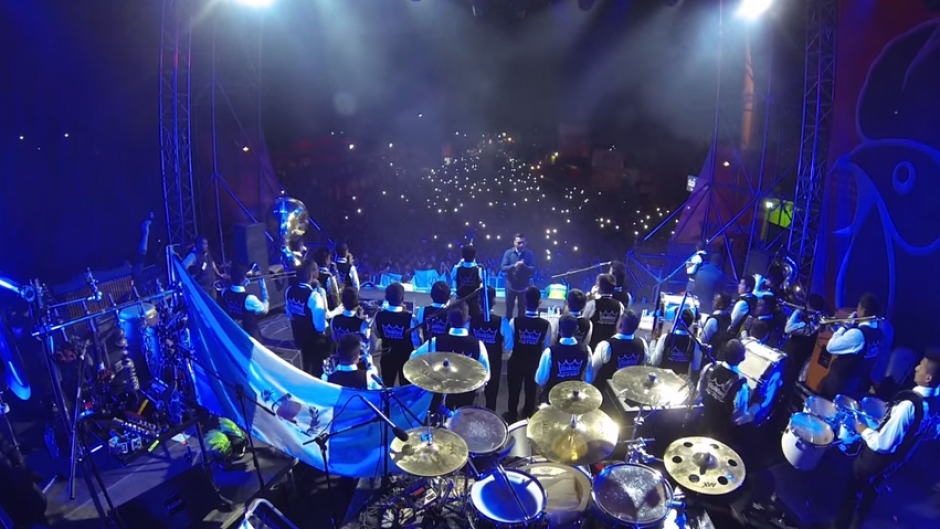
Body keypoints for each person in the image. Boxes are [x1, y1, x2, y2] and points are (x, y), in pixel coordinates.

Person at [832, 350, 940, 529]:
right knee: (867, 498)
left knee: (852, 496)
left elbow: (883, 444)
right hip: (896, 462)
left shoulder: (908, 405)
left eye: (920, 366)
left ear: (928, 377)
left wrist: (863, 429)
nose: (915, 368)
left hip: (875, 460)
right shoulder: (936, 401)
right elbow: (932, 433)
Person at [411, 303, 489, 410]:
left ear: (448, 319)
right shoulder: (478, 344)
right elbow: (485, 374)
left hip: (440, 396)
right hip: (466, 397)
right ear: (468, 320)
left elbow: (414, 357)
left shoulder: (435, 342)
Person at [819, 293, 885, 399]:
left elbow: (831, 347)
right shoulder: (878, 334)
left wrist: (845, 326)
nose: (856, 311)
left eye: (858, 308)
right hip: (855, 387)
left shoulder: (857, 334)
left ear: (864, 312)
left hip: (837, 387)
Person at [697, 339, 762, 448]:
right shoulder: (741, 386)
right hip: (720, 437)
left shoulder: (709, 367)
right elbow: (738, 418)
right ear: (743, 359)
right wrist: (756, 407)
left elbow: (700, 392)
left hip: (702, 423)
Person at [506, 286, 553, 422]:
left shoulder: (514, 321)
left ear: (524, 303)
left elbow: (509, 345)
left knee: (513, 391)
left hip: (516, 361)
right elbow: (546, 347)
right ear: (539, 303)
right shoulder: (546, 325)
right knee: (531, 392)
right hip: (534, 363)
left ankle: (511, 415)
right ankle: (527, 416)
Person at [470, 287, 513, 412]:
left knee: (470, 396)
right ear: (494, 301)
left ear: (478, 301)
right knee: (491, 398)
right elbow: (509, 345)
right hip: (494, 363)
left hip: (473, 364)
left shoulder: (470, 321)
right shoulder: (502, 322)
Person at [284, 261, 330, 376]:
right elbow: (320, 327)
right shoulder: (314, 296)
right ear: (311, 275)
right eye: (316, 269)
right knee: (317, 368)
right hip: (313, 338)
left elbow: (289, 315)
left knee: (305, 363)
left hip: (298, 334)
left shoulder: (289, 290)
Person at [371, 283, 421, 387]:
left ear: (386, 298)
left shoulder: (379, 315)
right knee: (405, 389)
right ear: (402, 298)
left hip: (387, 357)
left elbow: (378, 334)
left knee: (387, 387)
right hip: (406, 359)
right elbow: (417, 342)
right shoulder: (410, 318)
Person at [536, 315, 594, 402]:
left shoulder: (549, 352)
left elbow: (540, 380)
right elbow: (588, 379)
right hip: (574, 397)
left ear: (559, 330)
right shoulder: (587, 350)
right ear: (576, 329)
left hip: (553, 397)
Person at [594, 310, 648, 387]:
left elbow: (593, 369)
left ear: (620, 324)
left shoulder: (606, 345)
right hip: (630, 388)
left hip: (607, 391)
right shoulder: (642, 344)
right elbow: (642, 366)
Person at [221, 263, 269, 342]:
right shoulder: (250, 299)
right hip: (251, 339)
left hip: (234, 335)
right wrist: (263, 287)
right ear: (243, 278)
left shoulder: (224, 292)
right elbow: (265, 309)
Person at [651, 309, 702, 379]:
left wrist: (653, 342)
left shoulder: (665, 338)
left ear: (678, 320)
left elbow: (654, 362)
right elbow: (696, 367)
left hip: (663, 380)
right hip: (681, 382)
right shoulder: (695, 342)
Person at [583, 274, 624, 350]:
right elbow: (619, 326)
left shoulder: (592, 304)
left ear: (600, 288)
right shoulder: (619, 305)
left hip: (593, 346)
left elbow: (584, 322)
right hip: (610, 346)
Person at [500, 233, 536, 319]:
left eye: (523, 242)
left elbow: (533, 269)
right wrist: (514, 266)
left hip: (524, 287)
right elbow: (503, 267)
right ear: (514, 243)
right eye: (519, 242)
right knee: (509, 309)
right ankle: (508, 329)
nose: (521, 245)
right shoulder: (508, 253)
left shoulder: (530, 254)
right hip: (510, 285)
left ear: (526, 243)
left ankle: (520, 330)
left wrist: (524, 267)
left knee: (522, 310)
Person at [330, 286, 371, 354]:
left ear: (342, 301)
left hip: (339, 358)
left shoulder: (334, 319)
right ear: (358, 302)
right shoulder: (363, 324)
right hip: (355, 361)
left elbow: (334, 340)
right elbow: (365, 347)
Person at [182, 235, 224, 300]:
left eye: (206, 244)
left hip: (212, 286)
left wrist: (218, 273)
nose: (206, 246)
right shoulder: (193, 256)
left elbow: (212, 263)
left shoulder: (207, 253)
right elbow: (183, 267)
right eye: (204, 244)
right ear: (198, 244)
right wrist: (189, 280)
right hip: (202, 288)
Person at [452, 245, 483, 317]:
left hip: (460, 303)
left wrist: (460, 262)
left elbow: (453, 277)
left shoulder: (456, 269)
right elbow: (482, 285)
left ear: (462, 255)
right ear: (475, 255)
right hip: (474, 304)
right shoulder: (479, 269)